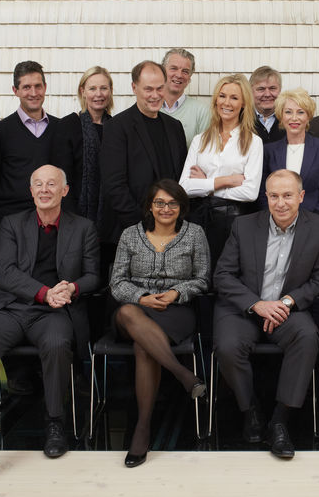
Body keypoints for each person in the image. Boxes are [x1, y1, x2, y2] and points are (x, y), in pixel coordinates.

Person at [0, 165, 99, 489]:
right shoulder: (12, 224)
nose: (44, 189)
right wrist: (44, 293)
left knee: (59, 344)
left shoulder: (83, 227)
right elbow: (4, 272)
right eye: (38, 184)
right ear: (31, 190)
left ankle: (55, 423)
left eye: (51, 184)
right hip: (11, 306)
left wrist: (71, 289)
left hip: (54, 311)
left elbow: (93, 275)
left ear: (65, 190)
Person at [213, 170, 319, 459]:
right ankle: (249, 409)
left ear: (301, 197)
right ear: (265, 197)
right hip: (244, 308)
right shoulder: (243, 225)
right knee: (228, 346)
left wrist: (288, 302)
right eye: (274, 195)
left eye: (288, 195)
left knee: (307, 337)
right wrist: (256, 304)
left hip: (287, 309)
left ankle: (280, 420)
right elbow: (223, 275)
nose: (281, 202)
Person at [111, 179, 210, 468]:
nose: (166, 209)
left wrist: (177, 293)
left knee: (144, 348)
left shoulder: (195, 234)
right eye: (159, 203)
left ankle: (142, 429)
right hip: (135, 310)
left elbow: (203, 278)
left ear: (182, 207)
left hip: (175, 310)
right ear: (149, 207)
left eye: (172, 203)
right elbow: (116, 282)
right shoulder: (130, 235)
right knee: (128, 314)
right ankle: (183, 374)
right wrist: (141, 297)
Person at [100, 60, 188, 276]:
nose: (155, 95)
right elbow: (114, 186)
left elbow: (180, 180)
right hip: (131, 231)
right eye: (148, 89)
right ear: (134, 88)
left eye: (160, 88)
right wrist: (145, 229)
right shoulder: (116, 127)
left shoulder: (174, 127)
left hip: (172, 232)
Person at [178, 74, 263, 267]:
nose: (227, 102)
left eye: (234, 98)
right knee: (198, 274)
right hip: (198, 220)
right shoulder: (200, 140)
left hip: (232, 222)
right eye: (222, 96)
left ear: (243, 104)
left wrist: (205, 182)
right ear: (216, 99)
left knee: (226, 273)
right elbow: (183, 188)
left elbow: (250, 192)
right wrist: (225, 180)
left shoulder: (253, 142)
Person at [0, 61, 60, 230]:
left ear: (45, 87)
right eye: (26, 87)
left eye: (38, 86)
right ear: (15, 91)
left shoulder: (61, 128)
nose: (34, 93)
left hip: (52, 221)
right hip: (13, 222)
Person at [259, 88, 319, 218]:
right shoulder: (269, 151)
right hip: (276, 223)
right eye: (288, 112)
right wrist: (274, 220)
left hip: (314, 223)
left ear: (308, 117)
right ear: (281, 116)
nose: (294, 118)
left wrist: (313, 223)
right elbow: (263, 192)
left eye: (300, 112)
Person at [54, 66, 114, 224]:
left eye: (103, 88)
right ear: (83, 91)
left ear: (110, 91)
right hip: (75, 216)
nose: (98, 94)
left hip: (111, 219)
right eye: (92, 88)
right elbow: (62, 177)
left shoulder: (116, 127)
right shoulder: (68, 125)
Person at [160, 48, 211, 145]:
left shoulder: (202, 112)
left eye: (185, 71)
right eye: (173, 68)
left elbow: (204, 153)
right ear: (163, 71)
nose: (179, 75)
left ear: (190, 77)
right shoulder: (151, 108)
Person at [250, 66, 286, 144]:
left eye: (272, 88)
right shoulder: (241, 119)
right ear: (251, 91)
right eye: (261, 89)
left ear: (280, 90)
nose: (267, 94)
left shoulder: (288, 119)